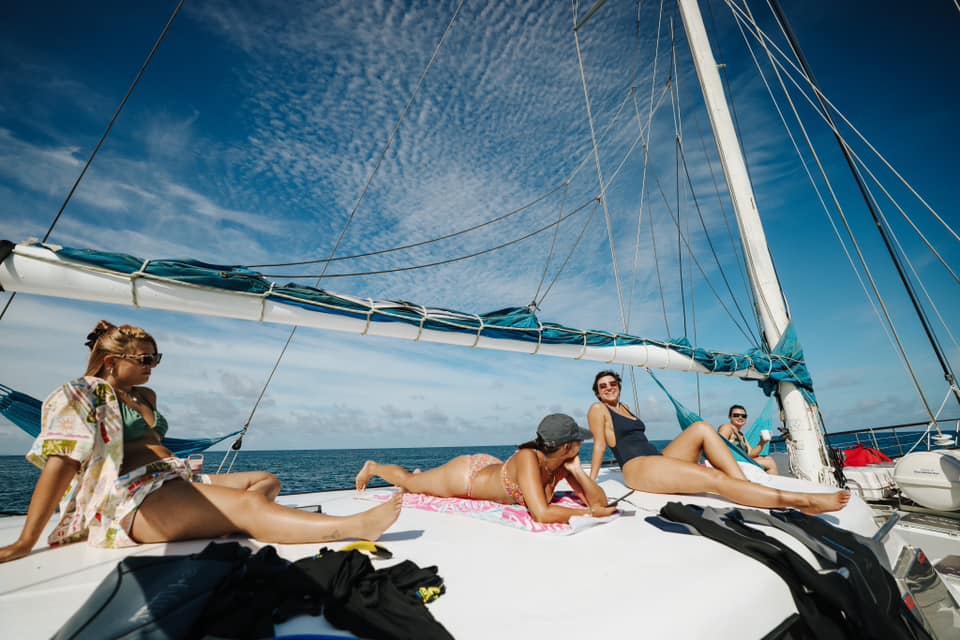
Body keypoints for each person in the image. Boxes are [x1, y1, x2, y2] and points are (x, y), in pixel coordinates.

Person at [0, 321, 401, 564]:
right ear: (111, 362)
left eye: (156, 358)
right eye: (145, 360)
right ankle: (352, 528)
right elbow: (62, 464)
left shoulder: (145, 397)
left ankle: (225, 518)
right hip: (128, 498)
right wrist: (26, 541)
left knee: (267, 481)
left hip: (172, 478)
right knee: (249, 505)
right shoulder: (82, 394)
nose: (152, 366)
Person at [587, 370, 849, 515]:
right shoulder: (598, 409)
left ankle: (745, 486)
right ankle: (803, 501)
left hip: (657, 458)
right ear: (597, 392)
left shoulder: (625, 407)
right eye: (602, 386)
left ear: (619, 385)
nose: (608, 387)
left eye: (612, 383)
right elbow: (599, 445)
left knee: (701, 428)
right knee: (714, 479)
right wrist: (591, 483)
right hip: (637, 467)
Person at [355, 414, 617, 524]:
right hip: (466, 477)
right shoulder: (528, 457)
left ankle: (420, 475)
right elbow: (541, 513)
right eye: (579, 441)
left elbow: (600, 502)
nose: (582, 444)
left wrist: (578, 472)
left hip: (492, 468)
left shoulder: (564, 464)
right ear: (566, 447)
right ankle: (373, 467)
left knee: (416, 480)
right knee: (409, 482)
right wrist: (589, 514)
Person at [718, 404, 779, 474]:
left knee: (768, 458)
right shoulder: (727, 427)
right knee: (770, 463)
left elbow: (750, 453)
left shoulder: (741, 435)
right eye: (736, 415)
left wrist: (762, 443)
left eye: (744, 416)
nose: (740, 417)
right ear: (730, 417)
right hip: (734, 462)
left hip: (742, 461)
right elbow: (719, 445)